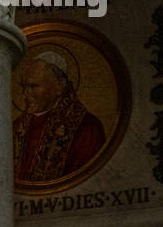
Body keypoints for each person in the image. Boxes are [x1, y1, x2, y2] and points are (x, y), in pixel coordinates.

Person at [13, 52, 105, 182]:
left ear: (59, 86)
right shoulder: (16, 127)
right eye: (24, 87)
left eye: (34, 86)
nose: (25, 95)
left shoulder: (87, 127)